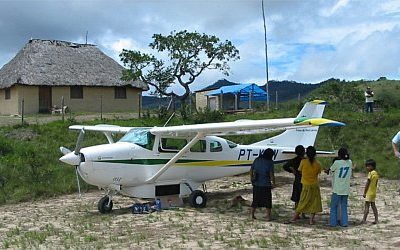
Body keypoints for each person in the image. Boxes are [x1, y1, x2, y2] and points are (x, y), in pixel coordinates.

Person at [290, 146, 322, 225]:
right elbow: (318, 173)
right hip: (314, 185)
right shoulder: (318, 164)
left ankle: (294, 218)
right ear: (315, 154)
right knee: (314, 203)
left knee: (302, 202)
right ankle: (311, 220)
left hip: (305, 185)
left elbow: (300, 171)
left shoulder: (303, 162)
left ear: (306, 153)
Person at [328, 148, 352, 227]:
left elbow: (331, 170)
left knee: (333, 206)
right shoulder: (350, 162)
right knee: (344, 206)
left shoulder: (337, 162)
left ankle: (333, 223)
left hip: (337, 188)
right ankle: (344, 222)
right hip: (346, 188)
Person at [250, 148, 276, 221]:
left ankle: (252, 215)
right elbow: (271, 174)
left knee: (255, 200)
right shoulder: (270, 162)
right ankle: (268, 216)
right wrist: (273, 183)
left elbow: (251, 169)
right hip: (265, 184)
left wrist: (251, 178)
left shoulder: (257, 160)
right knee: (268, 201)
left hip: (256, 183)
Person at [283, 145, 306, 219]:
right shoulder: (306, 160)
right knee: (304, 197)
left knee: (297, 197)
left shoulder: (294, 160)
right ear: (304, 152)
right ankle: (303, 213)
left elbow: (285, 166)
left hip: (297, 179)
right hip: (305, 180)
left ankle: (297, 213)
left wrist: (292, 171)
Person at [361, 159, 379, 224]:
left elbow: (367, 184)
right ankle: (376, 219)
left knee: (366, 206)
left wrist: (364, 193)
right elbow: (376, 183)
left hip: (369, 192)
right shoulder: (376, 173)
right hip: (373, 192)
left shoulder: (370, 173)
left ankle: (364, 220)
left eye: (368, 166)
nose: (367, 167)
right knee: (373, 206)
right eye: (366, 166)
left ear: (372, 166)